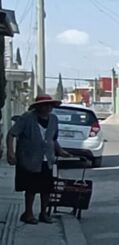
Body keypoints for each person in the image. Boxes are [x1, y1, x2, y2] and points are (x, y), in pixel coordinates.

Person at [5, 94, 72, 224]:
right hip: (29, 158)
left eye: (50, 105)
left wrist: (60, 151)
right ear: (38, 107)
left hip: (47, 159)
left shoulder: (53, 119)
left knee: (46, 188)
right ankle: (28, 213)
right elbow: (11, 134)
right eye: (44, 105)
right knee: (31, 188)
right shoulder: (27, 118)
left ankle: (44, 213)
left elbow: (52, 138)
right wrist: (10, 152)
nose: (47, 108)